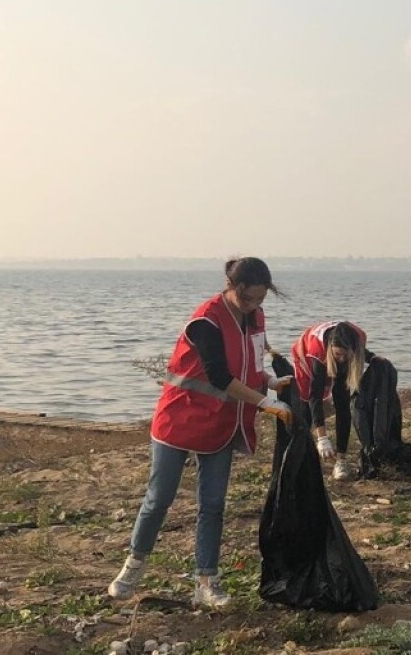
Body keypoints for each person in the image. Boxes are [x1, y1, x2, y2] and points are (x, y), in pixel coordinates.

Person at [108, 257, 292, 609]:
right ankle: (132, 567)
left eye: (260, 300)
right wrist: (266, 403)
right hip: (179, 420)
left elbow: (250, 365)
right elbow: (220, 376)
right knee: (159, 499)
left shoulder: (256, 318)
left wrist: (269, 381)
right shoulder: (206, 321)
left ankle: (206, 581)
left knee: (213, 505)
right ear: (232, 287)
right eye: (249, 299)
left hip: (219, 426)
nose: (255, 306)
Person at [291, 320, 375, 481]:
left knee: (342, 401)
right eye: (338, 354)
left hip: (340, 352)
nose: (342, 359)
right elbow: (314, 396)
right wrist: (322, 438)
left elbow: (361, 353)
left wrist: (374, 358)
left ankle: (341, 460)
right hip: (305, 356)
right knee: (306, 406)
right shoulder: (317, 351)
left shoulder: (359, 338)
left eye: (346, 354)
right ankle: (302, 454)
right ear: (330, 348)